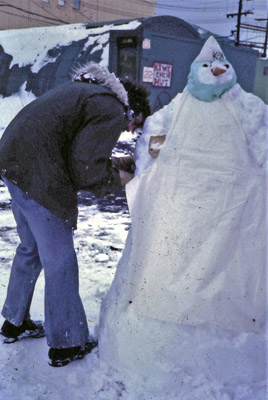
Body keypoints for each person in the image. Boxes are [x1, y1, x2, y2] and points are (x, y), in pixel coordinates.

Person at [98, 37, 267, 395]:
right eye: (207, 67)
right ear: (196, 72)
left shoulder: (249, 112)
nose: (215, 71)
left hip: (225, 216)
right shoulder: (177, 111)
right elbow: (151, 146)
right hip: (181, 213)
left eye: (219, 67)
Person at [0, 62, 150, 367]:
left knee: (31, 249)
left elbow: (73, 144)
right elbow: (83, 167)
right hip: (39, 174)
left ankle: (13, 322)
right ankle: (66, 344)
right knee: (61, 260)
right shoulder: (112, 109)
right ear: (133, 111)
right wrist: (117, 180)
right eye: (136, 124)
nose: (129, 129)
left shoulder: (86, 93)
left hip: (11, 160)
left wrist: (117, 164)